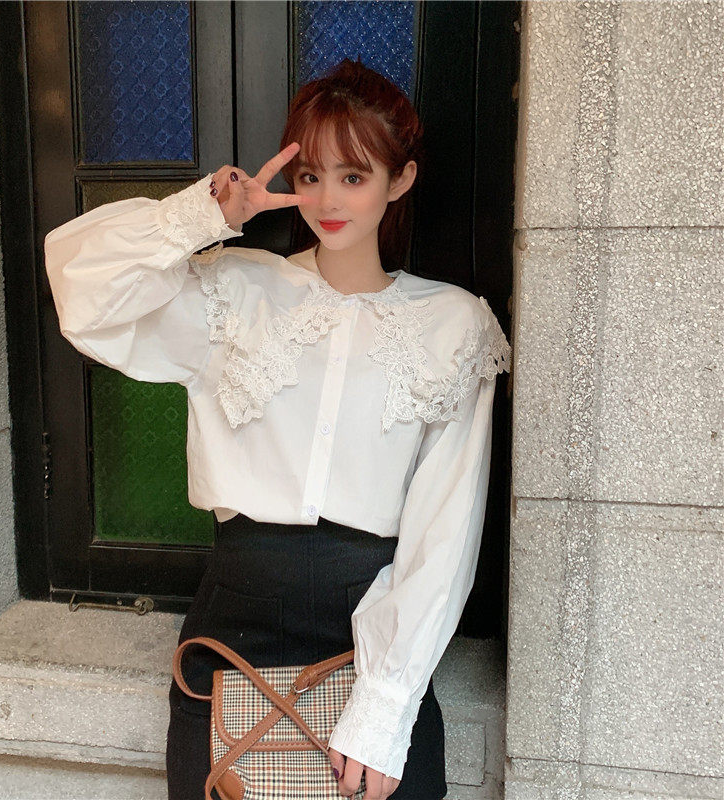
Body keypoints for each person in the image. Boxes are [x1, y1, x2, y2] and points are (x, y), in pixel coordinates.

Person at [44, 58, 511, 800]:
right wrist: (204, 216)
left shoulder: (452, 324)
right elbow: (82, 291)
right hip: (235, 618)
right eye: (312, 175)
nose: (327, 199)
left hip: (377, 631)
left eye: (354, 176)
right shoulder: (236, 289)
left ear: (401, 180)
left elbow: (446, 529)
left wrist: (383, 709)